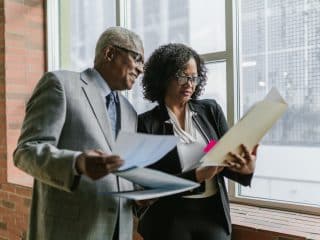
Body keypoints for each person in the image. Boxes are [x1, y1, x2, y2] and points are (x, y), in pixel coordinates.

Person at [13, 27, 144, 240]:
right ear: (110, 53)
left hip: (118, 231)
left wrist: (139, 194)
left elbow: (121, 171)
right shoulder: (60, 84)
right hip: (69, 230)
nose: (141, 69)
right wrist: (77, 163)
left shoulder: (130, 112)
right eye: (137, 58)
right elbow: (25, 152)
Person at [137, 43, 258, 240]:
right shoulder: (146, 124)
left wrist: (245, 169)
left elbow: (225, 162)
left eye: (194, 78)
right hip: (169, 216)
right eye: (183, 76)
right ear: (164, 77)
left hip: (212, 213)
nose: (189, 84)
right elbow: (151, 187)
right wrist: (197, 175)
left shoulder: (210, 110)